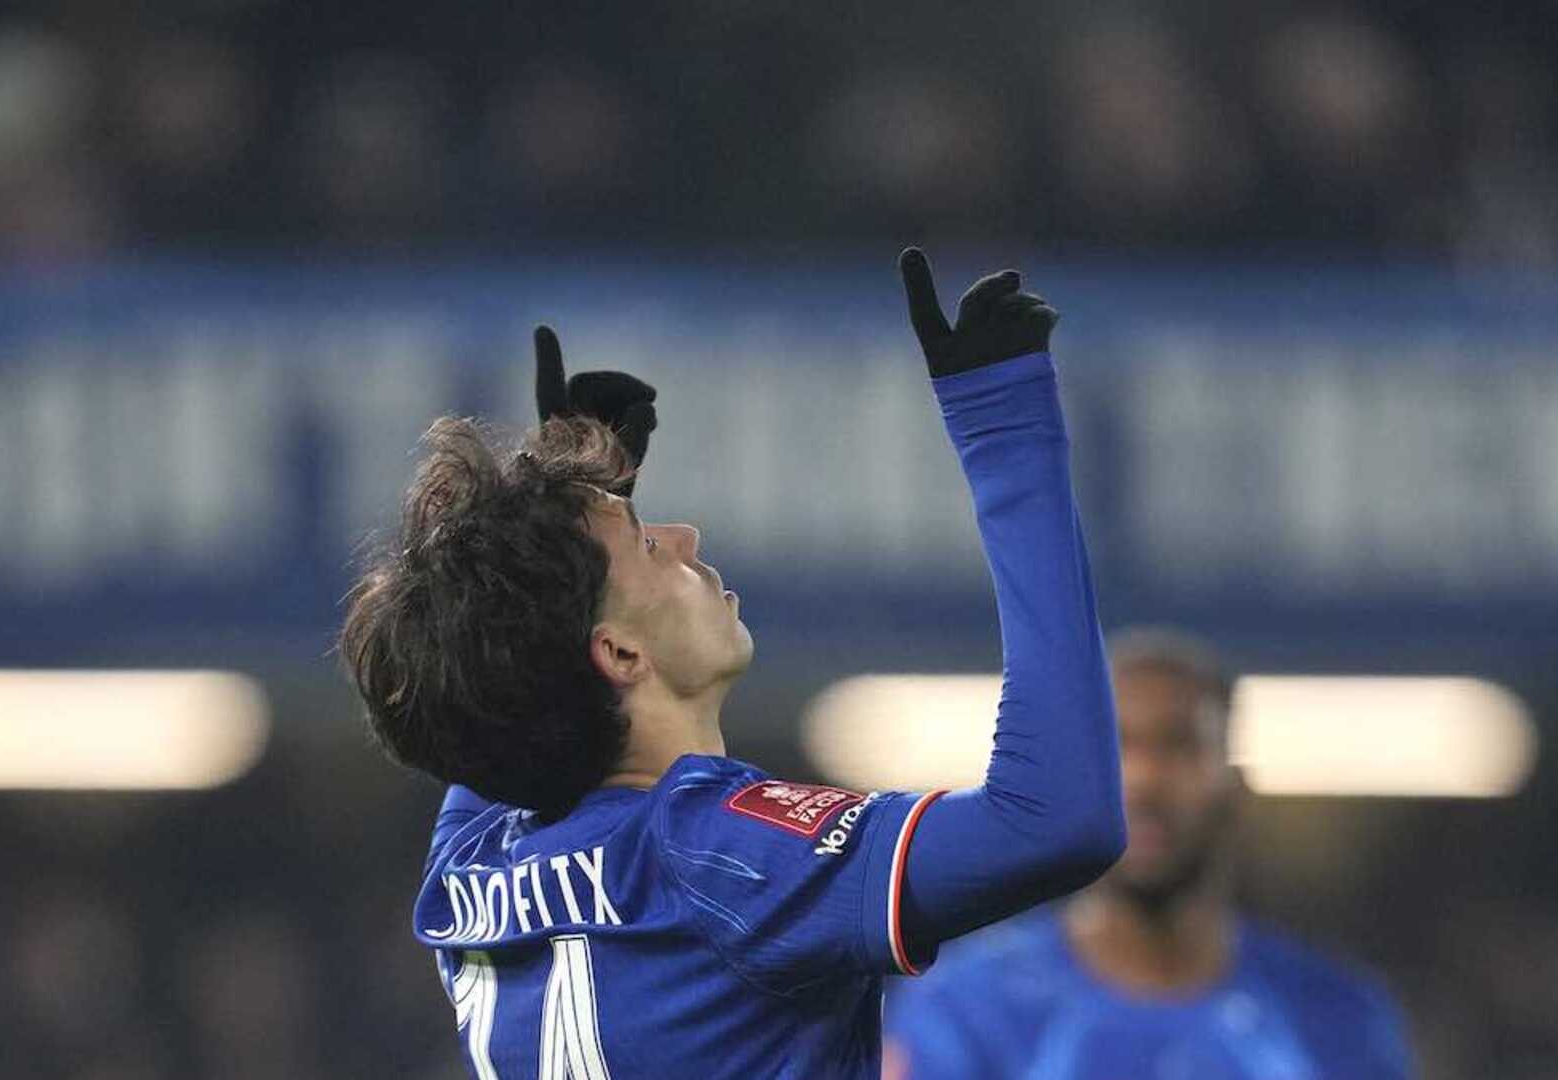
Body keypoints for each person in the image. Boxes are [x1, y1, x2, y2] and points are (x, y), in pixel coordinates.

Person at [337, 249, 1125, 1079]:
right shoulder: (716, 854)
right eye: (647, 544)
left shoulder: (471, 865)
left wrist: (565, 496)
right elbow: (1053, 818)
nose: (685, 538)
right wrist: (1005, 430)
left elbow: (492, 680)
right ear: (618, 652)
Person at [885, 627, 1411, 1079]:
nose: (1144, 780)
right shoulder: (966, 1012)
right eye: (1116, 747)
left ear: (1235, 787)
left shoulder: (1336, 1017)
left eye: (1179, 744)